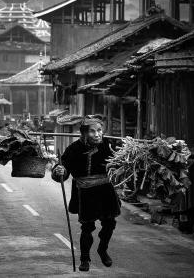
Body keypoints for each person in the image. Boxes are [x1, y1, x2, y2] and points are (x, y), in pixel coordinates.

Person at [52, 116, 121, 272]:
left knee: (109, 223)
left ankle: (102, 249)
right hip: (85, 192)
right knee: (87, 227)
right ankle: (84, 258)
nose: (97, 134)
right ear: (84, 133)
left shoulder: (108, 145)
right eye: (92, 131)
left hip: (105, 189)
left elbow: (120, 162)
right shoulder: (74, 149)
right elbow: (63, 168)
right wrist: (60, 171)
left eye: (99, 130)